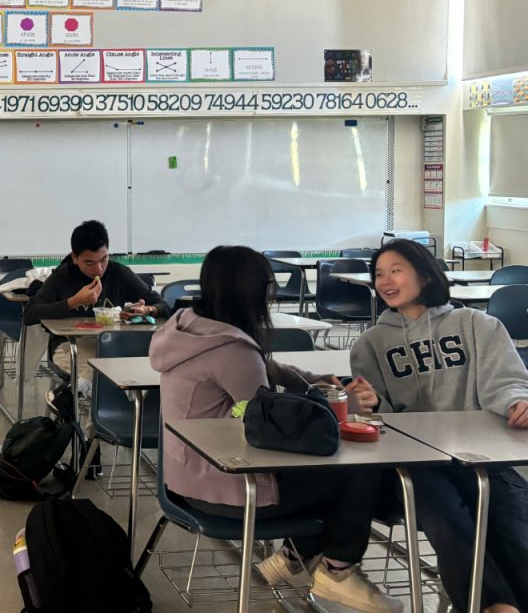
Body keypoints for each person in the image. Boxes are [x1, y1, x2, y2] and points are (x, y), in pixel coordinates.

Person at [151, 245, 399, 613]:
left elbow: (266, 368)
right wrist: (339, 402)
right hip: (228, 488)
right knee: (357, 467)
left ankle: (295, 555)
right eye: (267, 286)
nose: (271, 294)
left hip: (186, 475)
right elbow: (276, 424)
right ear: (249, 291)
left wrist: (317, 382)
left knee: (326, 466)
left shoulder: (190, 326)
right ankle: (337, 571)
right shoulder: (232, 349)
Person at [351, 239, 528, 613]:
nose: (386, 281)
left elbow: (506, 381)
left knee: (512, 520)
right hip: (414, 465)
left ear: (425, 273)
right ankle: (493, 606)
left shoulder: (477, 325)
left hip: (480, 456)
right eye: (379, 274)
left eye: (396, 270)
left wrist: (518, 401)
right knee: (445, 515)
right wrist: (366, 404)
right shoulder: (370, 344)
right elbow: (374, 418)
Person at [23, 220, 168, 391]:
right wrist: (74, 301)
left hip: (112, 342)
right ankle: (84, 398)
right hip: (69, 345)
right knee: (106, 369)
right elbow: (30, 314)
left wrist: (148, 309)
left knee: (130, 363)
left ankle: (75, 396)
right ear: (75, 258)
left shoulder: (118, 273)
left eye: (104, 259)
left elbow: (163, 304)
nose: (99, 269)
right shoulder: (62, 276)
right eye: (89, 263)